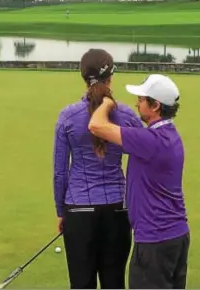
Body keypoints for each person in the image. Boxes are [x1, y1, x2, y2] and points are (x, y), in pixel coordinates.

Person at [88, 74, 190, 289]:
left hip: (155, 241)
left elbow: (96, 126)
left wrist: (106, 103)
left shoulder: (149, 141)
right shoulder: (170, 136)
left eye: (142, 100)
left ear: (155, 106)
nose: (137, 103)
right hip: (177, 236)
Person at [53, 49, 143, 289]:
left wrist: (61, 211)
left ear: (83, 77)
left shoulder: (68, 116)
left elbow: (60, 172)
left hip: (78, 211)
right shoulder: (125, 115)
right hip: (116, 210)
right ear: (111, 77)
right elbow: (143, 156)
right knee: (114, 283)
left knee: (82, 285)